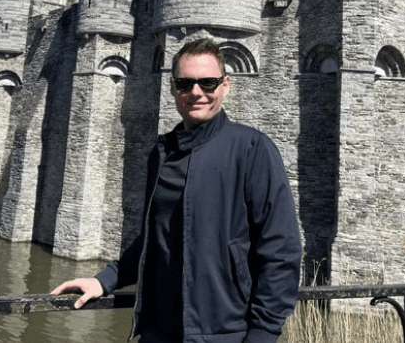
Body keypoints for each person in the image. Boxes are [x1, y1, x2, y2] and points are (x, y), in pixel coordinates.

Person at [51, 38, 302, 342]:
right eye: (185, 84)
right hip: (159, 330)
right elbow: (155, 238)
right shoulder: (161, 152)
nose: (196, 92)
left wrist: (263, 333)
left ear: (226, 85)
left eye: (207, 83)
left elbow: (281, 249)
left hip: (223, 332)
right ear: (173, 88)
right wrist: (105, 280)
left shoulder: (252, 148)